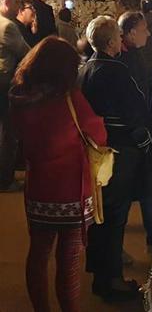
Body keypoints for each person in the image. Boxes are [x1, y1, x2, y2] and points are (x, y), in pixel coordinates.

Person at [9, 37, 107, 312]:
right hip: (70, 191)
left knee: (38, 255)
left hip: (39, 189)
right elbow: (97, 134)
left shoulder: (19, 97)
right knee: (69, 260)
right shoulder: (69, 99)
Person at [79, 16, 152, 302]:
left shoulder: (86, 69)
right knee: (114, 215)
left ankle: (100, 273)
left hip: (96, 150)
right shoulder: (116, 71)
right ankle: (112, 280)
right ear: (112, 42)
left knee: (100, 214)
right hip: (118, 152)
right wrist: (144, 139)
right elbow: (133, 111)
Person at [117, 11, 152, 252]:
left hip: (138, 131)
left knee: (146, 188)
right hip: (133, 135)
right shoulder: (125, 60)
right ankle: (118, 250)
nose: (149, 33)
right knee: (129, 194)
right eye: (145, 28)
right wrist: (141, 130)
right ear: (131, 32)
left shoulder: (132, 56)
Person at [0, 0, 30, 192]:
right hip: (4, 83)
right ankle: (5, 179)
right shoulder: (7, 27)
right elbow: (25, 52)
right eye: (17, 1)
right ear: (5, 1)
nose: (19, 6)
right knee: (8, 133)